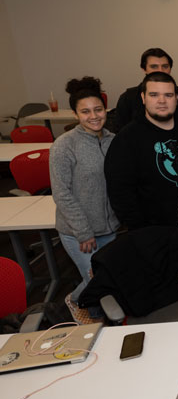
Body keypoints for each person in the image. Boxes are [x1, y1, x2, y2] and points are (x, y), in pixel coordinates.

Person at [50, 77, 120, 322]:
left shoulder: (113, 140)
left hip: (109, 227)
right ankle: (89, 314)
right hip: (79, 232)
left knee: (108, 277)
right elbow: (61, 193)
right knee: (96, 279)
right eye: (85, 111)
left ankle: (88, 305)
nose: (94, 116)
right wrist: (83, 231)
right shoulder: (64, 145)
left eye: (98, 109)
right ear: (75, 114)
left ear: (105, 109)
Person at [105, 71, 178, 229]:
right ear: (143, 98)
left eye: (168, 95)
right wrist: (141, 231)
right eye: (154, 95)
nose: (162, 101)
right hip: (152, 231)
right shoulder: (126, 139)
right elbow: (120, 193)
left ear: (176, 99)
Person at [107, 48, 178, 133]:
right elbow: (120, 131)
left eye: (165, 66)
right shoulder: (128, 97)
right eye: (154, 67)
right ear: (144, 69)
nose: (160, 70)